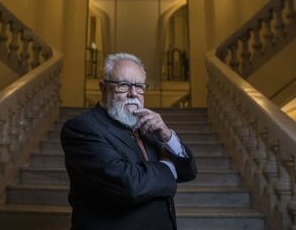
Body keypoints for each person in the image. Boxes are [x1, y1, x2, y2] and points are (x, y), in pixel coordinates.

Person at [61, 53, 197, 230]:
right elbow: (128, 185)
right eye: (123, 85)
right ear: (103, 88)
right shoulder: (82, 128)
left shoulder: (148, 127)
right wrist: (168, 168)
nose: (133, 93)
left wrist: (168, 137)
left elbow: (188, 172)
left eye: (139, 86)